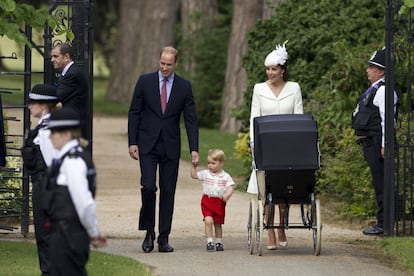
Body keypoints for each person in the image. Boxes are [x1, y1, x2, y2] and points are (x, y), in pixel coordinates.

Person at [128, 46, 199, 253]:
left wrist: (194, 148)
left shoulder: (184, 87)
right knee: (149, 187)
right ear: (159, 61)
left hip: (170, 145)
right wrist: (133, 142)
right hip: (147, 144)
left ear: (176, 64)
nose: (165, 67)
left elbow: (191, 120)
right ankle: (148, 231)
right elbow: (134, 112)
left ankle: (163, 238)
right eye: (162, 63)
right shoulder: (145, 81)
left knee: (168, 191)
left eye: (169, 64)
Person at [247, 42, 303, 249]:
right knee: (268, 188)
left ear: (283, 70)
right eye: (268, 69)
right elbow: (255, 117)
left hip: (288, 145)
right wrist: (254, 144)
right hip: (267, 144)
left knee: (284, 188)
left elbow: (299, 116)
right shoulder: (259, 89)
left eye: (274, 69)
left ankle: (282, 227)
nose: (270, 73)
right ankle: (269, 229)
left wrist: (298, 144)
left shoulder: (294, 88)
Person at [44, 108, 106, 275]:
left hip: (68, 235)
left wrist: (93, 233)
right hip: (66, 233)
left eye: (54, 132)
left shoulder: (72, 161)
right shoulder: (71, 157)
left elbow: (84, 203)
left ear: (67, 134)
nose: (50, 136)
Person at [352, 48, 398, 235]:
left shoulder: (384, 90)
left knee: (382, 184)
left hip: (378, 142)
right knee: (378, 183)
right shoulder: (376, 89)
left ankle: (384, 224)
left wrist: (385, 145)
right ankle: (383, 221)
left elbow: (387, 120)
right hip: (371, 142)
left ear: (381, 71)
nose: (368, 70)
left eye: (372, 67)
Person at [21, 84, 60, 275]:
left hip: (47, 189)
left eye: (32, 102)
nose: (29, 106)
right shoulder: (46, 127)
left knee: (46, 237)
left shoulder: (48, 131)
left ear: (43, 105)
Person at [191, 149, 235, 252]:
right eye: (209, 163)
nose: (210, 165)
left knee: (218, 223)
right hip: (207, 200)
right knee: (208, 220)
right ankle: (209, 241)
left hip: (219, 202)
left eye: (213, 163)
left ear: (221, 163)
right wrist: (194, 167)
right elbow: (194, 176)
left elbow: (230, 187)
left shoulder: (225, 176)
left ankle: (219, 242)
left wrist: (227, 195)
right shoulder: (206, 174)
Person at [50, 43, 90, 143]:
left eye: (55, 56)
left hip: (74, 124)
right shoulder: (70, 72)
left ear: (66, 57)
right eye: (51, 56)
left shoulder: (72, 74)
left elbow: (57, 96)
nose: (52, 60)